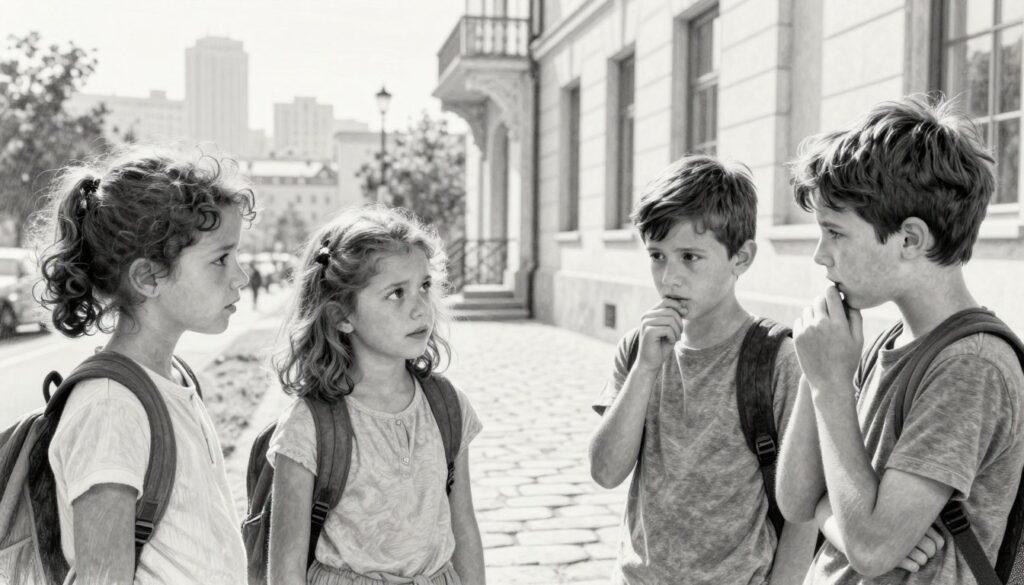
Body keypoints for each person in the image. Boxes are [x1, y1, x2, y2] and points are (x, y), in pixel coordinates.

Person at [776, 96, 1024, 583]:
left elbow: (871, 549)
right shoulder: (883, 340)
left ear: (910, 239)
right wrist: (821, 373)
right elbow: (796, 499)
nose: (820, 256)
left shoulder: (972, 367)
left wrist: (830, 386)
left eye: (834, 232)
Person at [589, 154, 818, 584]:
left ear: (741, 258)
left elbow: (803, 511)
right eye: (657, 256)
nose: (669, 278)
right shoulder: (639, 349)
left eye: (689, 257)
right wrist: (644, 371)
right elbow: (605, 472)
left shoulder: (777, 360)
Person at [35, 146, 254, 583]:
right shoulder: (111, 408)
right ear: (147, 277)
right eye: (220, 259)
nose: (241, 276)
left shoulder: (172, 380)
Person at [266, 206, 485, 585]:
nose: (420, 307)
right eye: (396, 293)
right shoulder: (310, 425)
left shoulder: (447, 406)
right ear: (340, 316)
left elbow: (463, 524)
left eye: (425, 286)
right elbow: (285, 567)